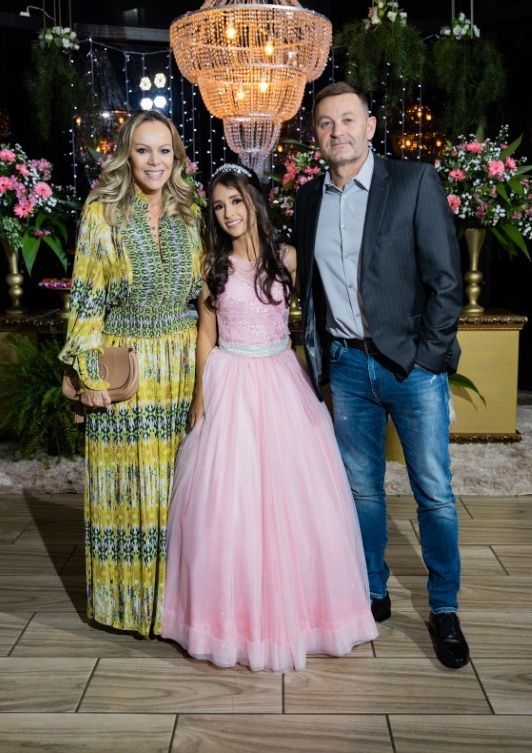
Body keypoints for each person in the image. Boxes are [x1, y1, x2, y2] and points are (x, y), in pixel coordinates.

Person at [161, 163, 378, 672]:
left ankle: (307, 614)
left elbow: (321, 313)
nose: (228, 213)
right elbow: (207, 334)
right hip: (231, 381)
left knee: (297, 498)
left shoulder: (288, 259)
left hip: (282, 379)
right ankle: (230, 623)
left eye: (235, 201)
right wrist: (199, 397)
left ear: (254, 202)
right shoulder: (213, 265)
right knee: (229, 501)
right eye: (218, 206)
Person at [293, 81, 470, 669]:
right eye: (325, 122)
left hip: (410, 366)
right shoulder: (308, 199)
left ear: (370, 126)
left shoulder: (414, 182)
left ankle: (444, 608)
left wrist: (427, 359)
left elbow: (446, 282)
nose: (337, 131)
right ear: (315, 135)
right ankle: (373, 590)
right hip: (347, 368)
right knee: (362, 490)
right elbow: (309, 289)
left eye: (348, 119)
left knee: (434, 492)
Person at [58, 110, 203, 638]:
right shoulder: (103, 212)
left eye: (164, 150)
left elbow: (210, 289)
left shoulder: (191, 210)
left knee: (181, 490)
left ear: (177, 157)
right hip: (129, 368)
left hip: (183, 367)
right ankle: (129, 608)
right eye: (143, 150)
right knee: (129, 489)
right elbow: (86, 298)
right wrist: (91, 377)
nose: (154, 161)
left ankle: (179, 610)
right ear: (126, 154)